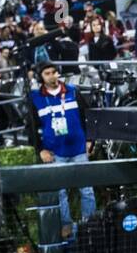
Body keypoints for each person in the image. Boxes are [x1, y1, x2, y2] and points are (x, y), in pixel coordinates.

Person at [27, 61, 96, 236]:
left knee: (87, 190)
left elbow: (87, 117)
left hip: (79, 149)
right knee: (60, 193)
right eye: (47, 73)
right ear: (41, 78)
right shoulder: (35, 98)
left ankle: (90, 225)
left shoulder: (73, 91)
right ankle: (66, 226)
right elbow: (31, 128)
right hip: (54, 152)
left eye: (54, 72)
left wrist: (90, 140)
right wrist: (40, 149)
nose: (52, 76)